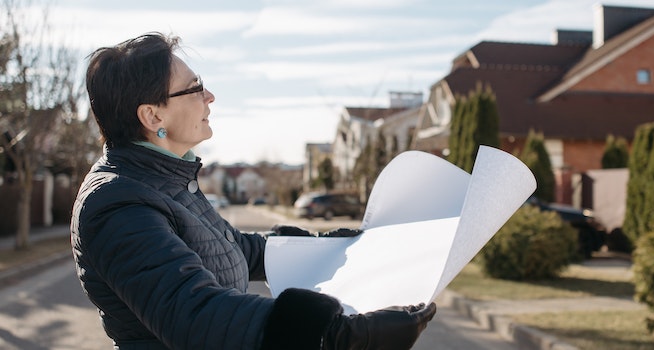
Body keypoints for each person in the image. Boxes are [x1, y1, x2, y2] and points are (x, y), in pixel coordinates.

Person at [70, 32, 436, 350]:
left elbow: (234, 249)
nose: (209, 96)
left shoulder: (167, 181)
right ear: (153, 117)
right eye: (195, 87)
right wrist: (337, 336)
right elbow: (196, 315)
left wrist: (327, 245)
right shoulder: (117, 202)